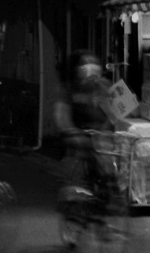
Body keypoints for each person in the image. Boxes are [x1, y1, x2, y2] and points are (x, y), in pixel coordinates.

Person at [53, 51, 127, 224]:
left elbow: (118, 113)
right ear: (76, 69)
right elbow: (61, 116)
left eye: (94, 62)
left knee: (108, 163)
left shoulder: (105, 86)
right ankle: (73, 207)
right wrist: (71, 132)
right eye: (85, 63)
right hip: (77, 137)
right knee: (77, 171)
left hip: (99, 137)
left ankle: (109, 198)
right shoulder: (67, 89)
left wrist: (105, 129)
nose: (90, 66)